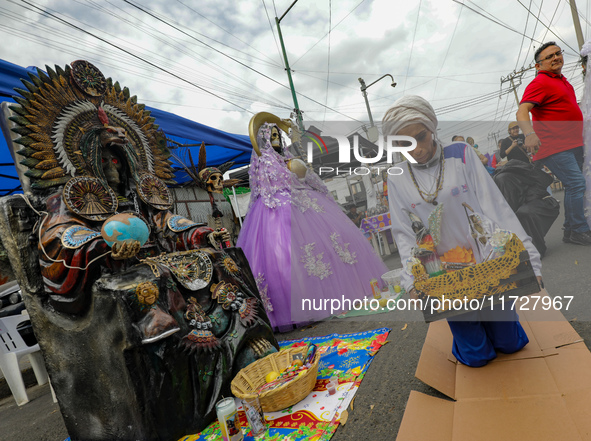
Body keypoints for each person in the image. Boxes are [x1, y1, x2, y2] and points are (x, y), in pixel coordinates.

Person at [382, 95, 542, 367]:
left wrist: (530, 260)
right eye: (403, 143)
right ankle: (469, 339)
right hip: (443, 275)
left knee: (510, 344)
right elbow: (404, 232)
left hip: (487, 260)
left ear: (432, 129)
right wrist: (412, 282)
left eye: (420, 137)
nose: (416, 149)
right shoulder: (396, 176)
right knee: (476, 356)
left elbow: (496, 207)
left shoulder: (460, 153)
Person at [236, 113, 389, 331]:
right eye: (272, 137)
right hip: (276, 210)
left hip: (303, 203)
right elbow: (271, 186)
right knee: (284, 257)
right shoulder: (265, 164)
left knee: (330, 246)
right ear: (264, 140)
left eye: (278, 136)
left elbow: (307, 178)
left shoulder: (289, 160)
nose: (277, 140)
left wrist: (297, 169)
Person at [516, 41, 591, 245]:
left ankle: (570, 229)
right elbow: (522, 111)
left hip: (573, 144)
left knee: (574, 185)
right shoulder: (540, 82)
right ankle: (578, 229)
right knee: (576, 184)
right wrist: (529, 133)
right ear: (538, 66)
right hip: (555, 147)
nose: (555, 57)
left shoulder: (562, 80)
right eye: (549, 56)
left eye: (558, 53)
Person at [493, 160, 559, 258]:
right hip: (533, 203)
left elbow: (511, 205)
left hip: (541, 203)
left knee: (521, 214)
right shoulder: (506, 177)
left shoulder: (503, 179)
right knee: (518, 215)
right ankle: (529, 247)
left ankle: (534, 249)